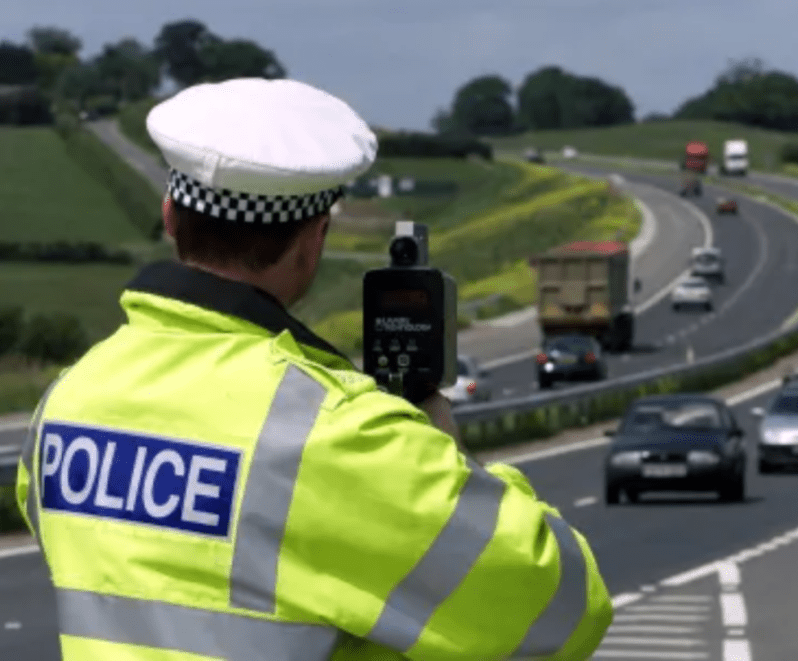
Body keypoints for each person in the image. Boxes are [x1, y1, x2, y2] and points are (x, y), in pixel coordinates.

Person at [16, 78, 613, 660]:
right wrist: (446, 458)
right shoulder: (335, 435)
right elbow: (563, 610)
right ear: (313, 239)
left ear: (171, 216)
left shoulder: (68, 402)